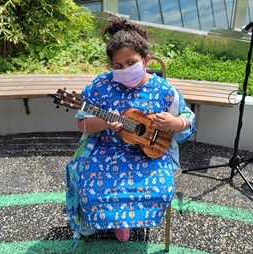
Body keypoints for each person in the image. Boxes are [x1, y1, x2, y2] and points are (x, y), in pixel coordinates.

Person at [66, 16, 196, 247]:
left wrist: (175, 123)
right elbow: (82, 124)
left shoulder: (163, 90)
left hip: (148, 153)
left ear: (145, 60)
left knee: (161, 190)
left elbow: (188, 118)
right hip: (106, 149)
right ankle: (97, 221)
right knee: (89, 189)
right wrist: (106, 123)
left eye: (131, 62)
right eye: (118, 66)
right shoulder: (100, 86)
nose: (124, 70)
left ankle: (121, 220)